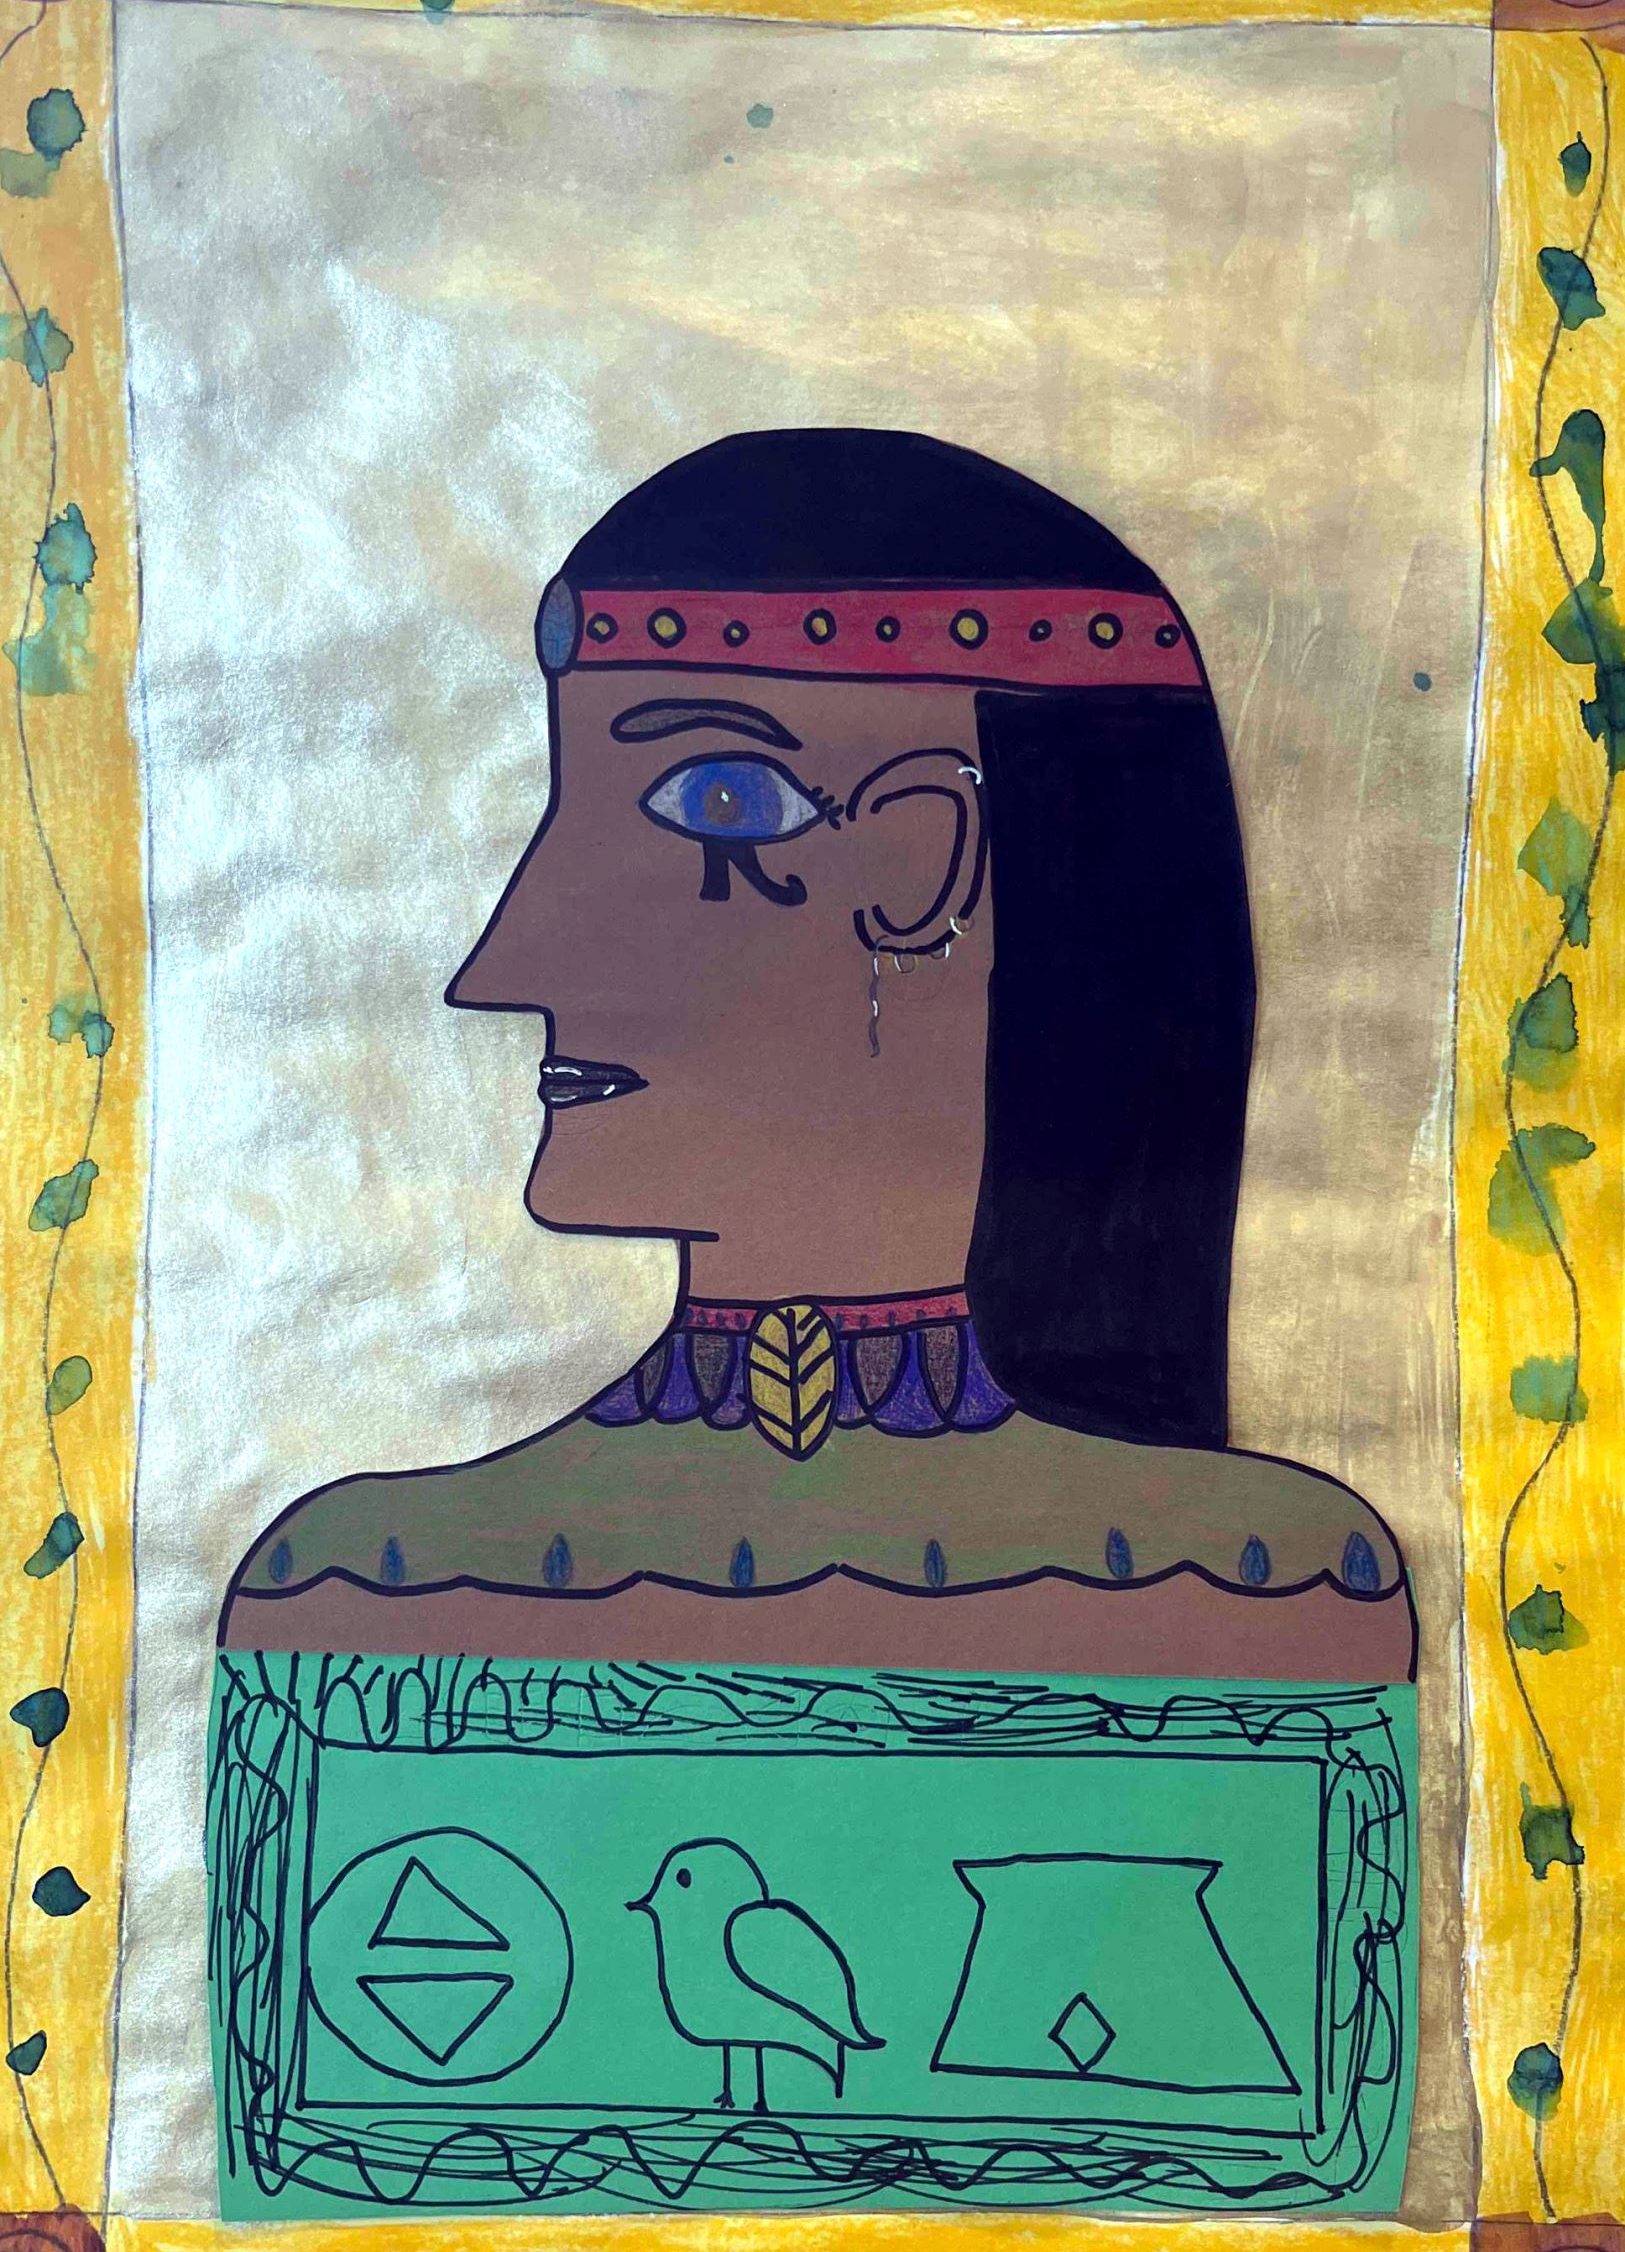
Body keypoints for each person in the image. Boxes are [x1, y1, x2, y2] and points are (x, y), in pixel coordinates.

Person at [219, 428, 1414, 1683]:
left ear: (921, 860)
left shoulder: (358, 1597)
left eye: (713, 802)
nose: (508, 965)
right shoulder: (364, 1592)